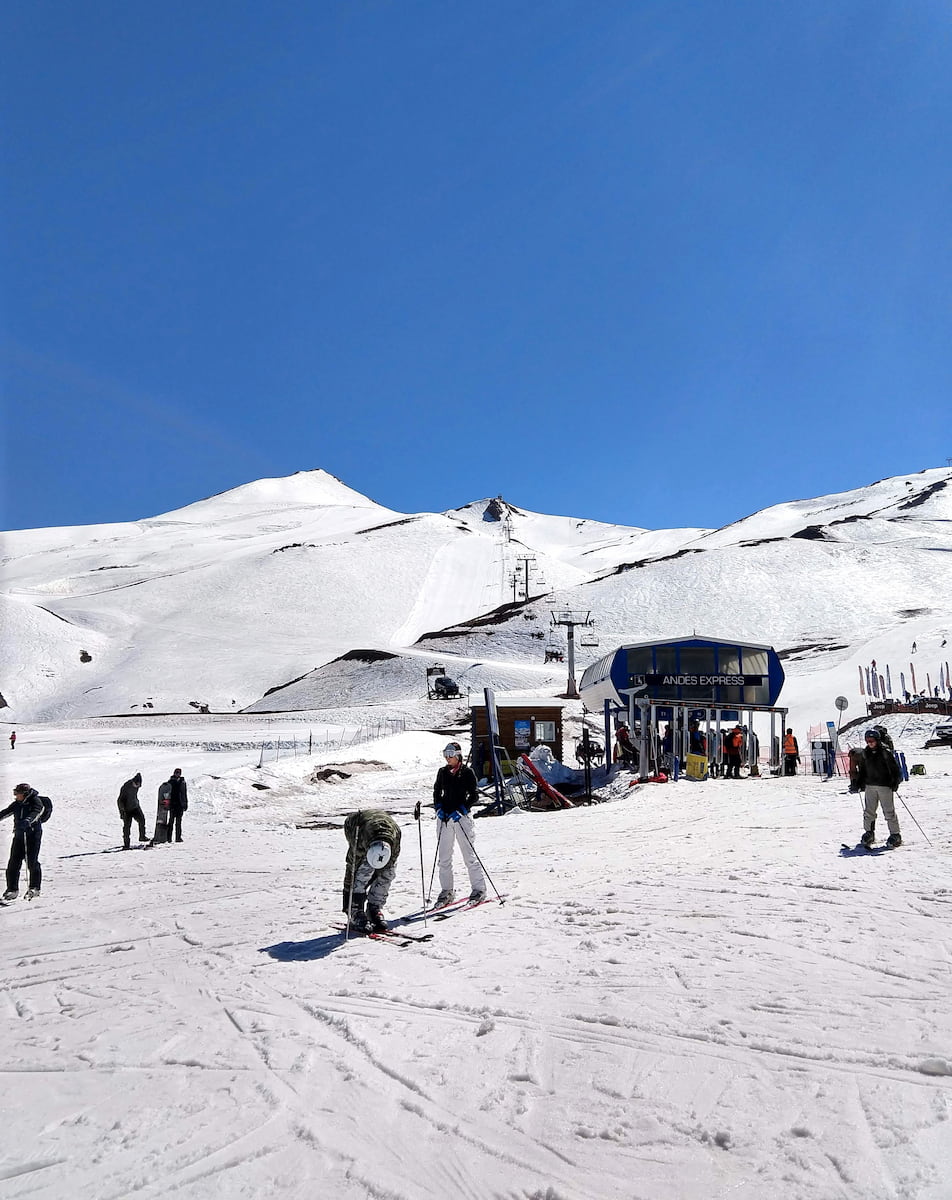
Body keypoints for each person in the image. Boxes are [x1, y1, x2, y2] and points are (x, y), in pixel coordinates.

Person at [432, 742, 485, 906]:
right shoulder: (442, 772)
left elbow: (474, 795)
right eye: (445, 753)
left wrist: (463, 809)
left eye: (450, 753)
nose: (447, 757)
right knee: (444, 858)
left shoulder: (467, 772)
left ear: (458, 755)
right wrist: (438, 807)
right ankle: (447, 890)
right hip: (445, 818)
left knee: (469, 855)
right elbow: (436, 792)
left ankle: (479, 889)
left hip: (460, 817)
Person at [342, 808, 401, 932]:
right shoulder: (359, 839)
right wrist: (348, 899)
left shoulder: (395, 839)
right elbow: (350, 870)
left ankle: (374, 908)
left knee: (388, 873)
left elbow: (388, 865)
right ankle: (355, 911)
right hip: (355, 825)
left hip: (381, 827)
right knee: (361, 873)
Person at [852, 728, 902, 848]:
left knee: (889, 811)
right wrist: (858, 781)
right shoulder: (866, 753)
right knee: (869, 811)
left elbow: (895, 769)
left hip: (885, 786)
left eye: (872, 740)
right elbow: (863, 769)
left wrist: (895, 782)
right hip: (870, 785)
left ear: (877, 740)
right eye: (867, 740)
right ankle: (869, 832)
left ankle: (895, 834)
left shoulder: (885, 752)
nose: (870, 743)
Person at [1, 782, 49, 900]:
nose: (16, 796)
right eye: (15, 793)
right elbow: (6, 812)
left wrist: (28, 821)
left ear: (25, 794)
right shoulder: (17, 803)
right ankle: (12, 889)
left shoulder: (35, 801)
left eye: (18, 794)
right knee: (13, 863)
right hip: (19, 836)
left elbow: (37, 811)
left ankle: (35, 888)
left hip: (32, 835)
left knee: (32, 862)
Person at [117, 772, 148, 848]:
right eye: (137, 785)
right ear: (133, 782)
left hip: (135, 807)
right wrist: (122, 812)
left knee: (142, 820)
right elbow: (119, 800)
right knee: (127, 826)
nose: (138, 786)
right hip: (126, 810)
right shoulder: (126, 787)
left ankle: (142, 836)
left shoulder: (136, 785)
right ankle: (126, 844)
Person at [166, 768, 188, 842]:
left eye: (178, 773)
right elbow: (167, 793)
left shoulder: (183, 782)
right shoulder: (170, 782)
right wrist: (167, 803)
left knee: (178, 823)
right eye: (176, 773)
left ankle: (178, 838)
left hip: (180, 805)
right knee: (171, 822)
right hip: (172, 804)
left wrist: (185, 804)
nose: (177, 774)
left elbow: (184, 794)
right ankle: (168, 838)